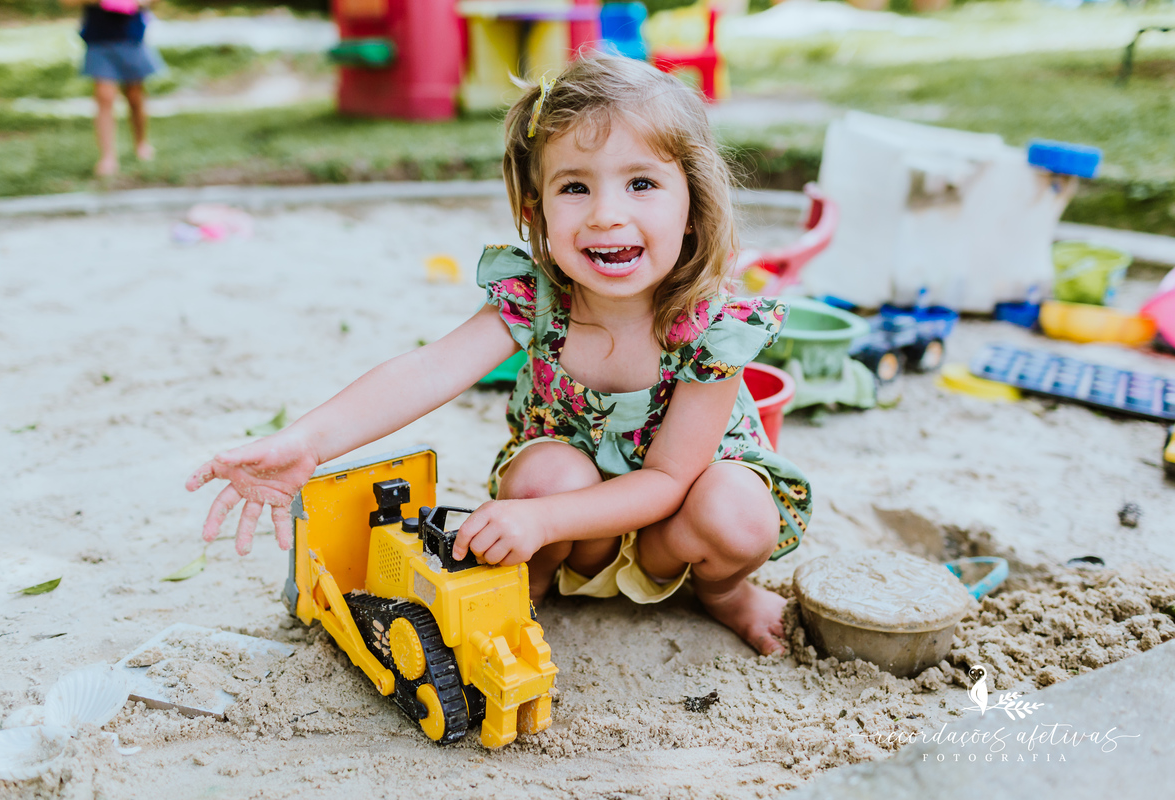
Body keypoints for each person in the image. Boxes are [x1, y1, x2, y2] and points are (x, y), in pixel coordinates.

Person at [185, 53, 812, 656]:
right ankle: (523, 593)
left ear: (693, 210)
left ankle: (724, 593)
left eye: (642, 183)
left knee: (738, 512)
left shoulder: (712, 329)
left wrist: (542, 521)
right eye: (575, 187)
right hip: (565, 528)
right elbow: (428, 370)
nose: (605, 215)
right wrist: (310, 441)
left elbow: (670, 479)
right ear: (534, 210)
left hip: (670, 525)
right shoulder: (537, 299)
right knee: (548, 476)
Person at [61, 0, 163, 177]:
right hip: (99, 40)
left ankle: (141, 143)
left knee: (134, 97)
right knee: (104, 97)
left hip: (130, 38)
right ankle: (108, 157)